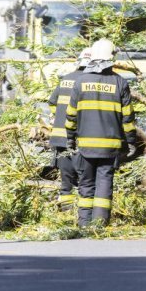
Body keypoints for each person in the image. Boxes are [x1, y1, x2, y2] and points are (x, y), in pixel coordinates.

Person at [65, 39, 138, 227]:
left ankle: (83, 223)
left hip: (86, 146)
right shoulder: (120, 82)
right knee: (104, 182)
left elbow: (71, 115)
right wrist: (131, 142)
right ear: (111, 58)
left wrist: (70, 140)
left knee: (86, 183)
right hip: (110, 146)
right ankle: (99, 223)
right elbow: (128, 118)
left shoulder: (80, 82)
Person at [47, 48, 92, 210]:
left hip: (60, 139)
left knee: (66, 181)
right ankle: (84, 215)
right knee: (84, 180)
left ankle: (66, 212)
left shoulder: (66, 79)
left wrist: (60, 117)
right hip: (78, 139)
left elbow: (52, 103)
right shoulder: (89, 81)